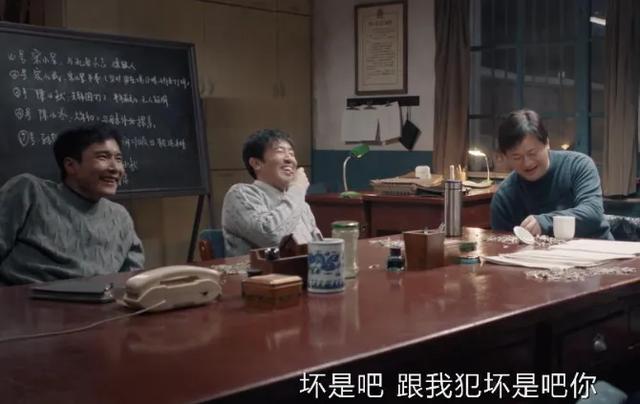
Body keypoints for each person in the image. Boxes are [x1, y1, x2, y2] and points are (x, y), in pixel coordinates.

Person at [0, 124, 145, 286]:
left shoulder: (120, 217)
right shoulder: (30, 191)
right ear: (71, 165)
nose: (115, 168)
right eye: (103, 157)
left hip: (99, 301)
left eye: (118, 159)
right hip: (24, 298)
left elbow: (132, 281)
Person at [491, 109, 612, 239]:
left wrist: (545, 222)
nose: (527, 163)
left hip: (597, 247)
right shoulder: (504, 197)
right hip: (537, 252)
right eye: (517, 157)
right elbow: (502, 243)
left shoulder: (578, 165)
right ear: (506, 157)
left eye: (532, 153)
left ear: (547, 143)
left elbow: (593, 213)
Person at [222, 128, 322, 257]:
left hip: (304, 268)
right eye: (280, 151)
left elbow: (318, 246)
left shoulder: (299, 202)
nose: (290, 159)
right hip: (258, 270)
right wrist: (297, 188)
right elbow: (272, 237)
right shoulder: (240, 194)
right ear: (256, 163)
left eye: (291, 154)